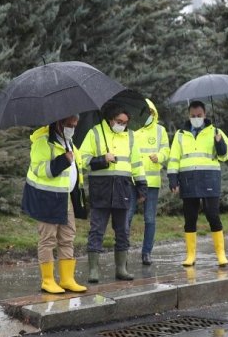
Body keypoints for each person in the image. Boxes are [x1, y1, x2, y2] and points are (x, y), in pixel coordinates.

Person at [80, 102, 147, 282]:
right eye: (119, 121)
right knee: (97, 230)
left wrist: (142, 187)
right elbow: (83, 159)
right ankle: (94, 270)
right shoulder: (95, 133)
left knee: (123, 230)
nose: (122, 125)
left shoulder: (130, 137)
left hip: (123, 189)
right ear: (110, 120)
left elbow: (137, 164)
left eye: (125, 122)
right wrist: (102, 159)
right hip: (101, 188)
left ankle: (121, 269)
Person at [21, 115, 88, 294]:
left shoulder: (69, 141)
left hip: (65, 198)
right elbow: (39, 169)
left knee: (67, 237)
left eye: (75, 125)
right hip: (47, 198)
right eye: (69, 124)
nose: (72, 128)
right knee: (48, 239)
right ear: (58, 123)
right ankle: (48, 280)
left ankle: (67, 279)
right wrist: (63, 161)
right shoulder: (43, 142)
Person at [167, 100, 228, 267]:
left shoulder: (216, 132)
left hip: (210, 178)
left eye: (199, 115)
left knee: (212, 215)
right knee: (190, 218)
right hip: (188, 180)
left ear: (205, 115)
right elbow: (174, 158)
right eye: (193, 116)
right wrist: (173, 179)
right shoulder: (180, 135)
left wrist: (219, 143)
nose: (196, 118)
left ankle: (221, 254)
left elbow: (225, 155)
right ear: (189, 116)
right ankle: (190, 255)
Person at [126, 98, 170, 265]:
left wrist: (159, 156)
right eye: (145, 113)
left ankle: (146, 253)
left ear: (154, 113)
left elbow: (166, 150)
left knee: (150, 218)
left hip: (152, 182)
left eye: (150, 112)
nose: (148, 116)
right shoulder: (133, 132)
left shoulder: (160, 131)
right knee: (128, 216)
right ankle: (124, 250)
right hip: (134, 180)